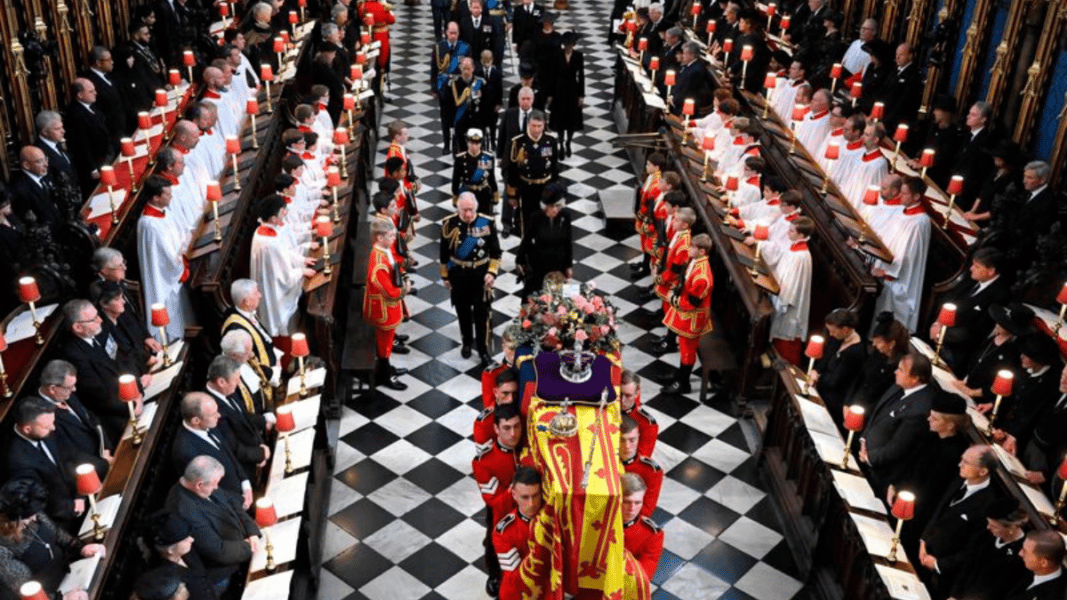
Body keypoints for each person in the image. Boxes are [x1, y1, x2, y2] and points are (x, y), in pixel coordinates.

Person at [164, 456, 260, 594]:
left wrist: (252, 531)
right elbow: (217, 550)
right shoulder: (184, 510)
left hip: (243, 543)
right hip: (227, 569)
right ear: (199, 485)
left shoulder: (203, 483)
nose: (217, 487)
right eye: (214, 484)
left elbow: (232, 502)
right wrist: (250, 546)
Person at [60, 299, 149, 446]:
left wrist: (137, 384)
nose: (100, 320)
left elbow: (123, 357)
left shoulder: (100, 332)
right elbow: (98, 394)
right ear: (77, 327)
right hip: (115, 411)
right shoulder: (73, 355)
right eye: (93, 319)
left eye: (98, 315)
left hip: (134, 392)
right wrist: (132, 406)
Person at [0, 479, 105, 600]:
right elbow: (28, 591)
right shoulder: (2, 548)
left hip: (70, 574)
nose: (35, 517)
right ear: (13, 520)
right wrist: (63, 598)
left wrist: (81, 548)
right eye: (30, 516)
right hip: (51, 593)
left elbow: (57, 533)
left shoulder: (32, 512)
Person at [889, 393, 970, 535]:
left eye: (934, 418)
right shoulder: (931, 433)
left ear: (950, 425)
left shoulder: (956, 453)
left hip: (915, 510)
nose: (928, 419)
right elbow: (909, 461)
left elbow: (931, 489)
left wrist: (901, 501)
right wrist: (894, 484)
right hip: (900, 493)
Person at [917, 445, 1000, 583]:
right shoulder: (959, 478)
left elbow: (973, 549)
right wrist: (923, 540)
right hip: (924, 550)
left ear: (983, 471)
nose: (959, 464)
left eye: (966, 462)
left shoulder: (988, 505)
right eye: (962, 459)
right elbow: (939, 510)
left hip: (942, 573)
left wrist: (939, 565)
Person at [4, 398, 86, 533]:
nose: (53, 428)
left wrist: (80, 492)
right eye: (47, 426)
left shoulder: (43, 428)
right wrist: (72, 507)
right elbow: (39, 500)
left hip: (76, 492)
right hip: (61, 518)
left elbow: (67, 459)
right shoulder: (17, 461)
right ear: (27, 429)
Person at [859, 352, 937, 493]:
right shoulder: (900, 385)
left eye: (901, 370)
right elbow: (878, 413)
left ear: (915, 379)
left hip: (881, 471)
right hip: (866, 453)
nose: (896, 372)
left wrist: (869, 457)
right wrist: (864, 438)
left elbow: (898, 447)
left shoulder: (920, 409)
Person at [928, 247, 1010, 373]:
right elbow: (950, 301)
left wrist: (941, 334)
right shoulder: (973, 279)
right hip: (941, 333)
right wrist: (937, 324)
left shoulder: (1000, 295)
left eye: (977, 266)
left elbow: (977, 331)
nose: (971, 269)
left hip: (959, 350)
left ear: (991, 271)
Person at [473, 403, 524, 598]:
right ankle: (494, 577)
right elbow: (496, 502)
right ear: (496, 429)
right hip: (503, 518)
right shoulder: (484, 462)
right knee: (494, 548)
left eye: (517, 427)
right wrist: (518, 488)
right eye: (507, 428)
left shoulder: (528, 447)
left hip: (529, 516)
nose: (513, 434)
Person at [170, 393, 253, 509]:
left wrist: (245, 483)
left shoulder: (208, 424)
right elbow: (208, 490)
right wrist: (240, 501)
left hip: (242, 492)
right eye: (213, 414)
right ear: (196, 420)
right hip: (231, 507)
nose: (219, 416)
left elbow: (229, 455)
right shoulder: (185, 451)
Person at [33, 360, 113, 479]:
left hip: (104, 455)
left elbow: (91, 418)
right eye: (70, 387)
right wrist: (105, 464)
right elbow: (70, 454)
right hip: (91, 472)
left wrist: (106, 448)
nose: (74, 389)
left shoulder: (65, 393)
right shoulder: (41, 416)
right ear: (53, 389)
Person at [870, 176, 931, 332]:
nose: (899, 196)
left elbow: (909, 254)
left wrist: (887, 272)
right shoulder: (901, 212)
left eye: (904, 193)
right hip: (886, 264)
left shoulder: (920, 222)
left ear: (916, 196)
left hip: (900, 276)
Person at [249, 195, 316, 338]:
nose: (285, 213)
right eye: (282, 211)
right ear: (273, 219)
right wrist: (301, 271)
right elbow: (283, 277)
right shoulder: (268, 244)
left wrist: (302, 260)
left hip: (272, 279)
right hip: (273, 288)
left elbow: (285, 253)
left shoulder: (266, 231)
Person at [137, 175, 193, 342]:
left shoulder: (163, 212)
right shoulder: (149, 224)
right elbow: (164, 258)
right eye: (168, 194)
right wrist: (181, 267)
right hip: (164, 278)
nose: (171, 197)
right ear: (156, 197)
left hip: (176, 264)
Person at [942, 499, 1029, 600]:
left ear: (1012, 528)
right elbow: (968, 565)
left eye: (994, 526)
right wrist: (955, 595)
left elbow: (997, 589)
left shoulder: (1020, 555)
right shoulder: (986, 534)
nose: (988, 527)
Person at [203, 356, 270, 486]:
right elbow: (232, 447)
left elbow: (244, 415)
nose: (239, 382)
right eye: (236, 379)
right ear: (221, 382)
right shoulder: (211, 408)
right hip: (243, 470)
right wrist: (260, 454)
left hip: (254, 451)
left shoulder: (227, 389)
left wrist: (261, 441)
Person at [661, 233, 713, 394]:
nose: (688, 249)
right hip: (687, 313)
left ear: (702, 251)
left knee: (687, 351)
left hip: (693, 318)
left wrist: (673, 299)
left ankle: (683, 383)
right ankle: (680, 375)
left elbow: (692, 303)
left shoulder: (702, 277)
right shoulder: (695, 262)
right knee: (684, 349)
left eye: (692, 247)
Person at [364, 218, 412, 390]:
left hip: (388, 306)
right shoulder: (378, 264)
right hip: (382, 309)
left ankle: (387, 368)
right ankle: (385, 374)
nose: (393, 239)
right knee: (384, 345)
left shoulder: (385, 250)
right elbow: (389, 291)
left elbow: (395, 267)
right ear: (379, 238)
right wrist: (404, 290)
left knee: (388, 341)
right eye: (390, 236)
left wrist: (403, 278)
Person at [506, 110, 560, 237]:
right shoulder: (518, 142)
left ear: (544, 125)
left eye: (539, 126)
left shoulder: (550, 141)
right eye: (533, 126)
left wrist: (555, 192)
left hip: (545, 188)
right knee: (526, 220)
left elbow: (554, 168)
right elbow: (512, 170)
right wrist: (512, 195)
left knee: (545, 221)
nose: (536, 129)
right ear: (528, 124)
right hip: (527, 188)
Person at [769, 217, 814, 366]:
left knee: (786, 344)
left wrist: (780, 302)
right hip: (780, 295)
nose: (788, 232)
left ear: (801, 235)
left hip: (789, 308)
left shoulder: (800, 256)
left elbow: (792, 286)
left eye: (792, 230)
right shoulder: (794, 249)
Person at [143, 512, 219, 600]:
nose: (192, 539)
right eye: (185, 539)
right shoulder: (166, 580)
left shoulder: (185, 550)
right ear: (170, 550)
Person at [221, 279, 280, 391]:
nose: (260, 295)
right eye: (256, 293)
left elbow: (263, 340)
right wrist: (273, 373)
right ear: (246, 302)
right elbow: (249, 363)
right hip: (262, 381)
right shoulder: (236, 330)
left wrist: (276, 356)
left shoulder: (245, 312)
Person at [493, 466, 542, 600]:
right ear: (514, 494)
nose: (531, 503)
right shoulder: (504, 532)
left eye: (535, 495)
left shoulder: (552, 520)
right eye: (525, 497)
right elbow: (514, 578)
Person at [516, 182, 573, 299]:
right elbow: (526, 240)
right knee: (536, 299)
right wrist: (519, 260)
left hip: (559, 265)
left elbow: (568, 242)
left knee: (560, 300)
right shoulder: (536, 217)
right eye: (552, 206)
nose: (554, 210)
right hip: (539, 265)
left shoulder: (565, 216)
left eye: (557, 206)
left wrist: (569, 266)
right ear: (545, 206)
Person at [91, 280, 156, 378]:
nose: (124, 301)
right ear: (104, 305)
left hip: (144, 365)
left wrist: (147, 357)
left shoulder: (123, 315)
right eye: (117, 299)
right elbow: (119, 360)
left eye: (122, 297)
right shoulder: (102, 331)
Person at [811, 308, 866, 420]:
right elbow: (826, 357)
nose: (831, 334)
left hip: (834, 397)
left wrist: (818, 378)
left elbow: (835, 380)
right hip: (823, 386)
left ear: (845, 330)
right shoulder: (838, 338)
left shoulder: (856, 351)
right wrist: (816, 370)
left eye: (833, 331)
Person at [66, 78, 115, 196]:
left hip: (105, 155)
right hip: (96, 163)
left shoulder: (91, 106)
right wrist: (92, 168)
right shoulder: (75, 114)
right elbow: (82, 144)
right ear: (80, 95)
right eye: (91, 91)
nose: (95, 93)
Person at [431, 22, 472, 153]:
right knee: (445, 117)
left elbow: (468, 68)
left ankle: (457, 143)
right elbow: (434, 69)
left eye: (455, 33)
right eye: (451, 33)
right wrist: (434, 89)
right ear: (446, 33)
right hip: (444, 87)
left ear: (458, 33)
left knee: (459, 117)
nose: (453, 36)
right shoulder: (439, 47)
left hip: (459, 88)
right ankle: (446, 144)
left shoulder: (464, 47)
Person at [548, 32, 585, 158]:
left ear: (573, 45)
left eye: (570, 45)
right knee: (560, 120)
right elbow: (551, 75)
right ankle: (561, 145)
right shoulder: (557, 55)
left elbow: (581, 76)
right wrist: (550, 94)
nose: (568, 47)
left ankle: (568, 142)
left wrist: (581, 95)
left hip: (573, 90)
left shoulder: (578, 56)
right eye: (566, 45)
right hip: (559, 89)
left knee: (571, 119)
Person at [620, 473, 663, 580]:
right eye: (627, 502)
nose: (632, 508)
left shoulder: (652, 534)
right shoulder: (601, 520)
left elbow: (644, 575)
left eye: (638, 502)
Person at [82, 46, 130, 142]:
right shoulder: (89, 82)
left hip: (124, 128)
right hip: (112, 134)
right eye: (108, 60)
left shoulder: (109, 75)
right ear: (99, 62)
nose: (112, 62)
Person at [10, 146, 63, 229]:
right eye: (40, 161)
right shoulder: (20, 189)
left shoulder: (46, 176)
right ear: (26, 165)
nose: (46, 164)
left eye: (46, 159)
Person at [619, 417, 662, 517]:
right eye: (622, 440)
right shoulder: (605, 461)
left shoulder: (651, 470)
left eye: (632, 440)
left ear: (638, 438)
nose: (627, 446)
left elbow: (647, 509)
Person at [1007, 531, 1066, 600]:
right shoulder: (1029, 567)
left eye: (1025, 551)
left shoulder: (1056, 594)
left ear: (1043, 563)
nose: (1020, 553)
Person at [452, 128, 499, 215]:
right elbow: (456, 179)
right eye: (472, 143)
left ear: (481, 143)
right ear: (467, 142)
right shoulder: (460, 159)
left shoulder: (487, 158)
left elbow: (491, 177)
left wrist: (495, 192)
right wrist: (455, 195)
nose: (474, 146)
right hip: (467, 193)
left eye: (477, 143)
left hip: (483, 194)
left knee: (482, 223)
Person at [445, 57, 487, 154]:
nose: (466, 71)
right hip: (460, 119)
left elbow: (486, 104)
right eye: (464, 68)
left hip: (476, 119)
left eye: (468, 68)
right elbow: (449, 106)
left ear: (473, 69)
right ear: (460, 69)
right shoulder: (453, 84)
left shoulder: (480, 83)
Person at [620, 370, 658, 458]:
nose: (622, 400)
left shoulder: (647, 424)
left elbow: (640, 458)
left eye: (628, 396)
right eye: (619, 394)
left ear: (637, 393)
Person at [670, 42, 712, 115]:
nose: (683, 55)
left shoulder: (695, 71)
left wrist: (673, 99)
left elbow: (687, 90)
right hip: (679, 98)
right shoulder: (690, 65)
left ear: (691, 55)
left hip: (685, 105)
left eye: (684, 53)